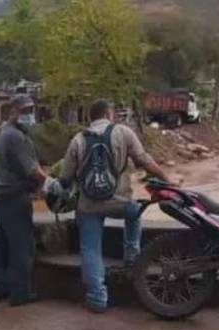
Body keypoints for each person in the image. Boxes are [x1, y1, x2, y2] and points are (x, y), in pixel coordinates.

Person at [59, 98, 171, 313]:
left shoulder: (78, 140)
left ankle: (97, 298)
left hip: (89, 206)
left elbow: (65, 178)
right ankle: (132, 259)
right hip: (120, 202)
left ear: (90, 117)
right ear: (109, 114)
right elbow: (144, 160)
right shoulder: (123, 132)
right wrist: (167, 180)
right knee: (135, 212)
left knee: (90, 249)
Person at [0, 94, 49, 307]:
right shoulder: (16, 136)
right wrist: (51, 184)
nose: (29, 115)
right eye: (24, 111)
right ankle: (20, 293)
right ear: (13, 111)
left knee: (0, 245)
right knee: (22, 247)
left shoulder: (2, 131)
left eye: (30, 110)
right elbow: (33, 171)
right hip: (13, 198)